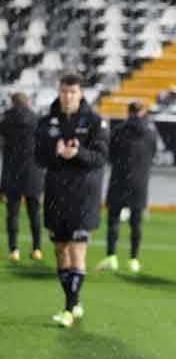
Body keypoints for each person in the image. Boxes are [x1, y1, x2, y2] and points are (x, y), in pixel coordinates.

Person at [35, 73, 108, 327]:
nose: (68, 96)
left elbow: (100, 158)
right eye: (64, 91)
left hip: (83, 195)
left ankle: (68, 309)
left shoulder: (95, 122)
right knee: (59, 251)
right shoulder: (46, 122)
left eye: (73, 92)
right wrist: (55, 155)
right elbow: (39, 159)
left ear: (82, 94)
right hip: (56, 193)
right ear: (59, 91)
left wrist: (78, 153)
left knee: (77, 251)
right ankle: (74, 302)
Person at [96, 101, 156, 274]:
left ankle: (111, 257)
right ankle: (133, 259)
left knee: (113, 220)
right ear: (143, 111)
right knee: (136, 223)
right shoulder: (150, 132)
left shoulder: (118, 130)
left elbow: (110, 154)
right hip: (140, 181)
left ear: (127, 111)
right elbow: (152, 153)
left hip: (119, 179)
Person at [0, 92, 44, 262]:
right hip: (33, 172)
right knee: (34, 214)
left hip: (12, 172)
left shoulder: (5, 120)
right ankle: (37, 248)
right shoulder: (36, 119)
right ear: (28, 102)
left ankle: (14, 250)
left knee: (13, 214)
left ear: (12, 103)